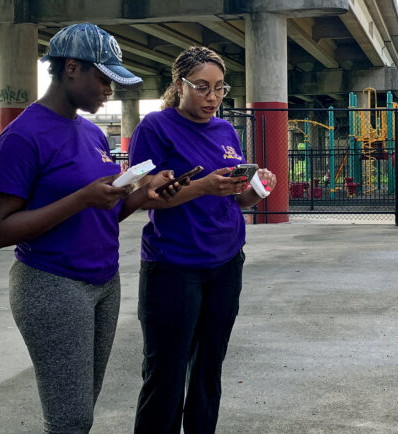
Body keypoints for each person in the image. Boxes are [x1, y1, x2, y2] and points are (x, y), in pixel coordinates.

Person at [0, 23, 186, 433]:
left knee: (80, 411)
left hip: (102, 282)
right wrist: (82, 197)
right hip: (51, 284)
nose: (110, 90)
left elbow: (103, 211)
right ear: (71, 68)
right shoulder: (23, 136)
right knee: (69, 419)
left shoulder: (92, 132)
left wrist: (142, 196)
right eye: (103, 78)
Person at [128, 46, 277, 433]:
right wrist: (205, 185)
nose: (212, 97)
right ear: (180, 85)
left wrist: (255, 190)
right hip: (173, 266)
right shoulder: (155, 127)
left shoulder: (226, 130)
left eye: (219, 89)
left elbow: (234, 198)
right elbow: (149, 197)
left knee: (209, 371)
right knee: (166, 376)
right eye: (202, 87)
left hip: (225, 262)